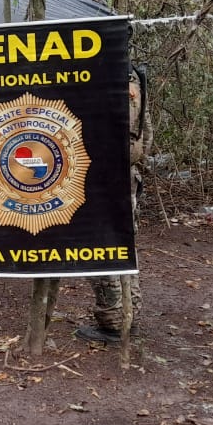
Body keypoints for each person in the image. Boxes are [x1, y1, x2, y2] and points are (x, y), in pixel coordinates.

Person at [77, 65, 152, 344]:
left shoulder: (101, 75)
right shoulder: (134, 75)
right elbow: (146, 132)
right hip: (126, 177)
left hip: (102, 178)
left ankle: (113, 321)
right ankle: (128, 315)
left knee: (99, 248)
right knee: (124, 245)